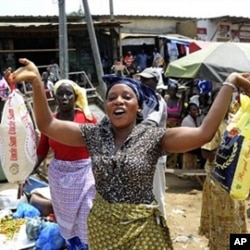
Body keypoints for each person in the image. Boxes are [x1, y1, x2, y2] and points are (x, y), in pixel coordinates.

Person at [6, 58, 250, 250]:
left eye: (126, 97)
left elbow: (204, 133)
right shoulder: (93, 134)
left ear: (139, 106)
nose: (118, 101)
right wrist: (37, 83)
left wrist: (229, 83)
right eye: (112, 97)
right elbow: (48, 125)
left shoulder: (154, 137)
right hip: (102, 229)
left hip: (142, 232)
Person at [32, 79, 97, 250]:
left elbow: (101, 145)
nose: (64, 97)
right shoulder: (50, 123)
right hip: (59, 177)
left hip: (84, 174)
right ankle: (72, 245)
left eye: (69, 94)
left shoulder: (88, 119)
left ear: (75, 97)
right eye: (60, 94)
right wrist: (27, 171)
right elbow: (42, 148)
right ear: (55, 97)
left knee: (86, 212)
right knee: (66, 218)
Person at [199, 88, 247, 250]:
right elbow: (206, 152)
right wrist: (229, 153)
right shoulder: (217, 125)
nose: (236, 102)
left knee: (238, 224)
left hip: (237, 182)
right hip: (220, 183)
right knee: (221, 226)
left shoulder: (241, 123)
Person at [136, 67, 168, 218]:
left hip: (154, 155)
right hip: (141, 154)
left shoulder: (157, 101)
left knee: (156, 194)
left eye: (146, 80)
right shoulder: (143, 100)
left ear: (156, 82)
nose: (142, 82)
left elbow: (150, 123)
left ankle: (161, 228)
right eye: (141, 79)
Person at [165, 79, 183, 168]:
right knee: (167, 144)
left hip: (176, 126)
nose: (172, 92)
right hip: (167, 126)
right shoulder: (165, 100)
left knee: (175, 145)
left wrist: (169, 113)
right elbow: (164, 113)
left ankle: (173, 164)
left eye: (174, 90)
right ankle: (166, 164)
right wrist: (173, 114)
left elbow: (179, 114)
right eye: (170, 90)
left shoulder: (179, 101)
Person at [181, 102, 203, 169]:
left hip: (193, 143)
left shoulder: (197, 119)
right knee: (203, 153)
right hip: (187, 145)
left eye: (197, 109)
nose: (196, 111)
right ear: (189, 111)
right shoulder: (187, 121)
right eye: (194, 110)